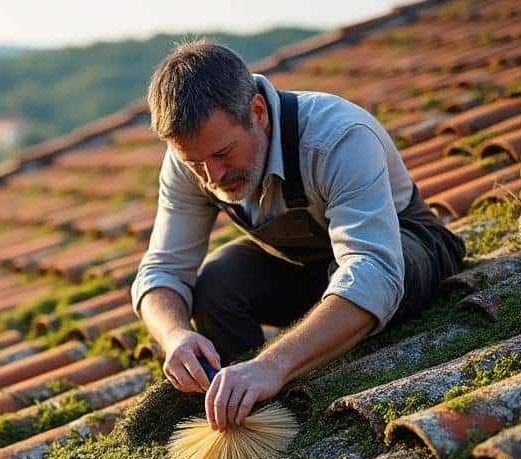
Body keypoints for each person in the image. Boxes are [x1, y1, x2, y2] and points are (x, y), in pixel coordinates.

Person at [131, 40, 465, 433]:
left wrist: (273, 364)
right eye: (195, 163)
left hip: (401, 251)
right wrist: (175, 335)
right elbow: (162, 270)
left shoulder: (339, 137)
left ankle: (276, 372)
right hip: (310, 270)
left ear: (257, 113)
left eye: (224, 154)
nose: (212, 176)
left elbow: (373, 271)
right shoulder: (195, 161)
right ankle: (244, 404)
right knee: (218, 283)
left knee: (381, 278)